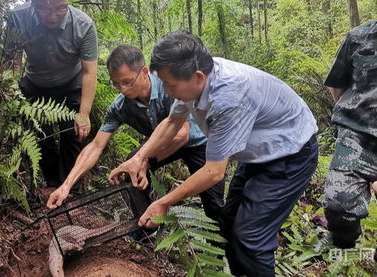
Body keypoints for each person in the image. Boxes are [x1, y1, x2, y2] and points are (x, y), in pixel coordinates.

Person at [109, 31, 318, 277]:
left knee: (251, 237)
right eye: (162, 82)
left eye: (169, 84)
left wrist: (163, 202)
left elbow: (213, 172)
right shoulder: (196, 79)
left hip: (290, 154)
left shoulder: (227, 98)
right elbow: (173, 121)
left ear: (197, 77)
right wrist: (138, 158)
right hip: (257, 154)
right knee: (228, 225)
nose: (165, 90)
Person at [47, 45, 225, 226]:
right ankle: (144, 228)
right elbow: (96, 146)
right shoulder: (120, 106)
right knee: (130, 167)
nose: (122, 89)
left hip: (198, 144)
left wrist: (143, 160)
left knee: (214, 204)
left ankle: (220, 248)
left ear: (144, 72)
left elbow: (181, 135)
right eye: (116, 84)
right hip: (161, 146)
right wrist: (66, 185)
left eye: (127, 81)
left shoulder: (169, 87)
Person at [5, 0, 98, 194]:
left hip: (71, 82)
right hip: (35, 82)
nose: (53, 15)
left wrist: (83, 114)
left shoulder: (84, 25)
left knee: (72, 134)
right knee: (41, 134)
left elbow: (89, 72)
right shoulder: (18, 17)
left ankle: (70, 190)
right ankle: (51, 185)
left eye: (60, 8)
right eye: (44, 9)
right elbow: (13, 61)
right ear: (32, 0)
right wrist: (10, 89)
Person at [322, 0, 377, 277]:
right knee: (339, 204)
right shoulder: (359, 37)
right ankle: (344, 241)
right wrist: (353, 118)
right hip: (358, 138)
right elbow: (337, 83)